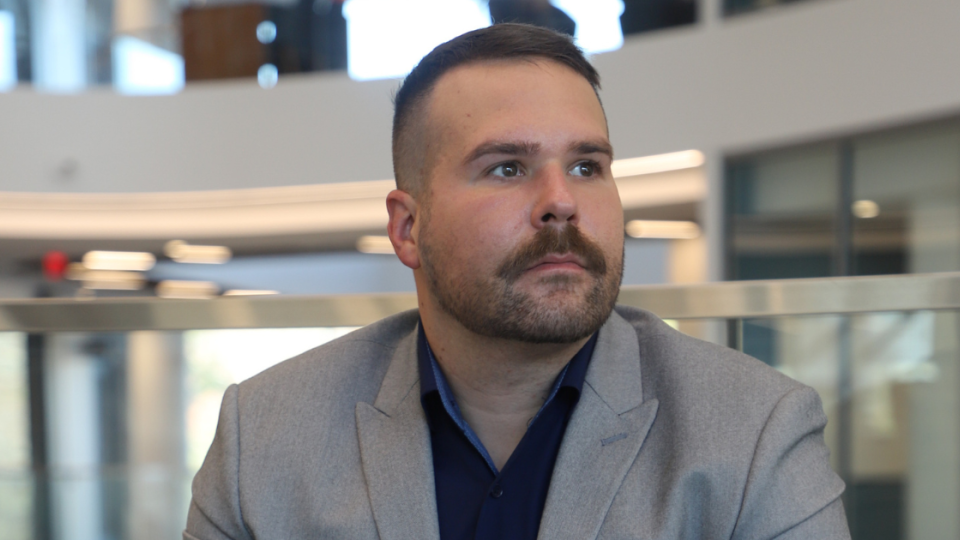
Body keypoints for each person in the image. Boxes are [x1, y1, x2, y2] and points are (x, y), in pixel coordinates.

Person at [184, 24, 850, 540]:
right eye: (507, 168)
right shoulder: (266, 438)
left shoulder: (754, 430)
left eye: (588, 166)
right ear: (408, 228)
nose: (561, 201)